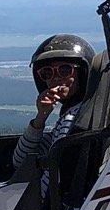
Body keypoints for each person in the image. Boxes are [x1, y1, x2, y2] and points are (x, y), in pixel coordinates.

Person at [12, 32, 96, 186]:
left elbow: (53, 182)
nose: (55, 78)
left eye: (65, 70)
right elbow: (22, 161)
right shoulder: (73, 113)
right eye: (47, 73)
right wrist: (40, 118)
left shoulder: (73, 121)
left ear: (83, 73)